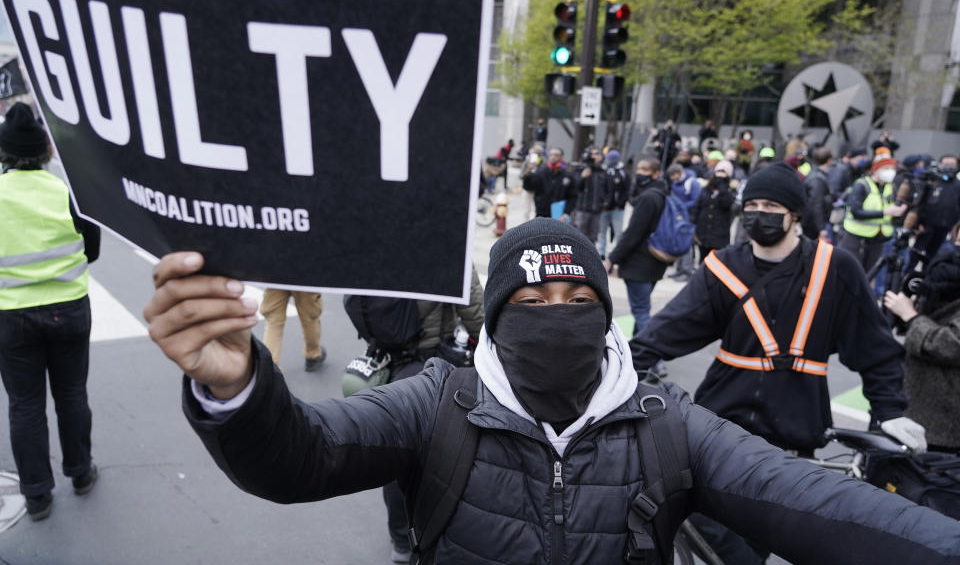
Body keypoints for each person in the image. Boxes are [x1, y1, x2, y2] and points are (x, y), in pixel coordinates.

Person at [144, 221, 960, 565]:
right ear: (496, 320)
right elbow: (303, 459)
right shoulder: (438, 405)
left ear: (605, 318)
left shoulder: (664, 423)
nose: (556, 320)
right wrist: (241, 386)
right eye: (531, 306)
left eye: (579, 306)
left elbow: (807, 500)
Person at [631, 162, 927, 563]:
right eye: (751, 204)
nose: (758, 213)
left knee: (756, 543)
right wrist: (619, 374)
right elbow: (666, 331)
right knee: (710, 535)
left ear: (795, 215)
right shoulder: (722, 267)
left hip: (791, 443)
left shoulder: (836, 268)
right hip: (720, 431)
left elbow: (875, 349)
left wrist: (889, 410)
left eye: (770, 205)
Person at [0, 103, 101, 521]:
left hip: (11, 316)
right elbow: (91, 246)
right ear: (45, 150)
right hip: (69, 309)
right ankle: (80, 472)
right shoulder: (66, 192)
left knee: (25, 405)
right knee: (72, 394)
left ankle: (37, 495)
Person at [380, 267, 485, 562]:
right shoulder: (446, 245)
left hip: (386, 360)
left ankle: (400, 540)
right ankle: (426, 536)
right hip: (431, 361)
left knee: (393, 450)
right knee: (440, 452)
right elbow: (474, 309)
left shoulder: (381, 240)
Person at [884, 239, 960, 454]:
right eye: (958, 238)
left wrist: (911, 316)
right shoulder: (945, 278)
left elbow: (952, 344)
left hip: (945, 419)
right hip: (916, 402)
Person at [605, 157, 669, 335]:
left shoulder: (648, 198)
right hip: (656, 260)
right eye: (639, 169)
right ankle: (636, 346)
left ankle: (653, 356)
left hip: (640, 263)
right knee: (642, 308)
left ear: (656, 174)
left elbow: (633, 233)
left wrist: (612, 259)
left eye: (645, 171)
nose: (640, 174)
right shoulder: (663, 194)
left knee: (641, 312)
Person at [839, 152, 906, 273]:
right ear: (875, 169)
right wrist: (885, 212)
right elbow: (856, 211)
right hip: (856, 237)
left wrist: (899, 212)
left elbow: (891, 212)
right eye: (886, 168)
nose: (890, 171)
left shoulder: (891, 187)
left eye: (892, 168)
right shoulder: (862, 185)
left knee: (868, 273)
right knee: (849, 271)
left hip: (878, 239)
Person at [259, 289, 326, 371]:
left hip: (276, 280)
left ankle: (269, 368)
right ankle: (313, 354)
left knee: (273, 322)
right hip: (304, 280)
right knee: (309, 319)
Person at [912, 154, 960, 266]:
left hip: (945, 229)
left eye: (952, 164)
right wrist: (917, 223)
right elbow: (920, 203)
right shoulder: (932, 181)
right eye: (946, 164)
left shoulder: (958, 186)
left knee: (933, 258)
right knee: (915, 255)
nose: (949, 167)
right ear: (940, 164)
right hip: (925, 227)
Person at [690, 160, 734, 264]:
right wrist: (693, 223)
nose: (720, 175)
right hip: (703, 231)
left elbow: (726, 203)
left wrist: (722, 187)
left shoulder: (730, 190)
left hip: (719, 233)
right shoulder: (706, 188)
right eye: (719, 171)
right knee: (702, 260)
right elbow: (698, 206)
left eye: (723, 172)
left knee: (717, 262)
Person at [665, 163, 700, 282]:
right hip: (678, 217)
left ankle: (687, 271)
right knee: (678, 243)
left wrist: (680, 207)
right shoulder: (675, 183)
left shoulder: (692, 183)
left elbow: (695, 201)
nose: (673, 178)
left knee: (687, 245)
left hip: (688, 218)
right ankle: (679, 269)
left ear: (679, 173)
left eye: (674, 175)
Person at [522, 146, 576, 220]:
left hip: (559, 216)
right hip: (541, 215)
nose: (553, 157)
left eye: (556, 155)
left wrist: (567, 213)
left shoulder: (567, 175)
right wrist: (528, 174)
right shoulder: (541, 173)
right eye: (551, 155)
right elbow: (528, 187)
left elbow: (573, 196)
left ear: (561, 158)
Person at [597, 149, 629, 259]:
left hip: (617, 208)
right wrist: (603, 202)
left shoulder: (622, 172)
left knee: (618, 232)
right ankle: (601, 252)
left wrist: (620, 203)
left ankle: (618, 254)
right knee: (602, 231)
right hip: (604, 208)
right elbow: (601, 188)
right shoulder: (604, 171)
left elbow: (627, 190)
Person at [571, 147, 607, 245]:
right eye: (592, 154)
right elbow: (574, 188)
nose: (595, 156)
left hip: (597, 210)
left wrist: (604, 203)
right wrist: (582, 177)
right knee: (579, 235)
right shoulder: (580, 170)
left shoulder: (602, 172)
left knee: (593, 237)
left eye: (597, 154)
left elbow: (608, 190)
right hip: (583, 209)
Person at [801, 146, 834, 241]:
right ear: (829, 160)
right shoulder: (818, 179)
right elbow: (816, 204)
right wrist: (821, 229)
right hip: (812, 227)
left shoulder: (815, 175)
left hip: (811, 224)